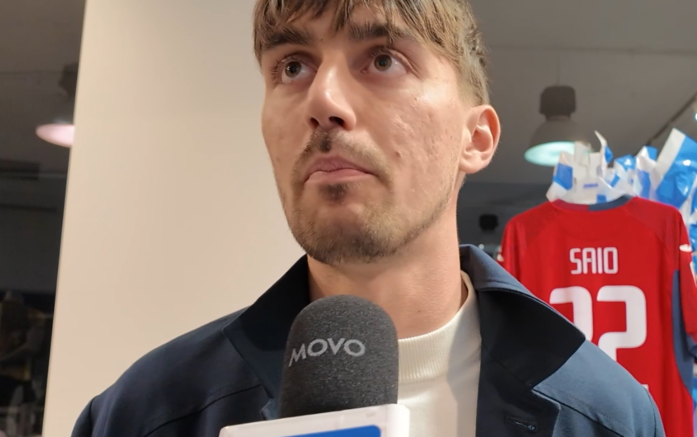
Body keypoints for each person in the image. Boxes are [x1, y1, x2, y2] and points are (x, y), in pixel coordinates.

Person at [72, 1, 665, 436]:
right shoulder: (146, 414)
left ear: (476, 137)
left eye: (383, 59)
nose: (323, 101)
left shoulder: (607, 418)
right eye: (293, 67)